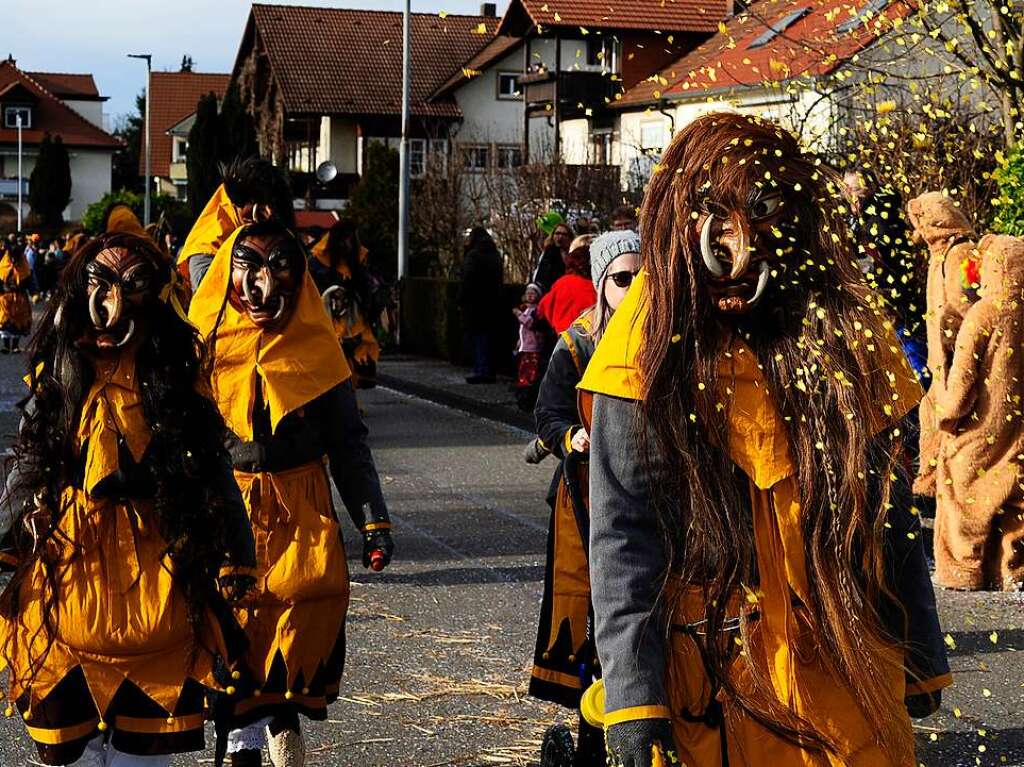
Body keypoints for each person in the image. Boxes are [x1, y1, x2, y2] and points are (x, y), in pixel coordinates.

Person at [579, 113, 950, 767]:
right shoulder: (641, 343)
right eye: (712, 214)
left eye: (755, 211)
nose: (732, 241)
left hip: (844, 670)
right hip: (711, 687)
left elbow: (892, 519)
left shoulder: (845, 334)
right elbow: (623, 539)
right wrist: (635, 706)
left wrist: (919, 653)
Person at [0, 231, 257, 767]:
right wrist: (5, 536)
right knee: (70, 749)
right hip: (69, 572)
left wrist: (237, 556)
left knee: (143, 752)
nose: (110, 304)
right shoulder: (61, 378)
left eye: (132, 284)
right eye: (99, 282)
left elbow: (213, 472)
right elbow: (28, 460)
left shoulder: (176, 385)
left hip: (154, 571)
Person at [187, 218, 394, 767]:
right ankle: (243, 744)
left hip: (301, 504)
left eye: (279, 267)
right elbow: (181, 440)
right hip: (232, 503)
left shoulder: (318, 347)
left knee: (301, 608)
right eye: (248, 268)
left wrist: (373, 520)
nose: (262, 284)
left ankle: (282, 716)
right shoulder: (206, 349)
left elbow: (350, 444)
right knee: (233, 624)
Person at [531, 229, 640, 767]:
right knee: (594, 618)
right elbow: (546, 413)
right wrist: (571, 436)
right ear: (602, 284)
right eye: (624, 278)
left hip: (646, 494)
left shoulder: (659, 337)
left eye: (645, 277)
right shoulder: (577, 343)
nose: (636, 287)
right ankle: (591, 739)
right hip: (585, 496)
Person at [932, 234, 1024, 590]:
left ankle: (964, 571)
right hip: (1017, 427)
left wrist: (947, 415)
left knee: (963, 497)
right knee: (1013, 498)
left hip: (982, 424)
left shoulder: (984, 312)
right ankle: (1011, 570)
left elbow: (963, 379)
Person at [906, 192, 980, 499]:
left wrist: (955, 349)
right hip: (942, 364)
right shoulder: (939, 257)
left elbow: (971, 305)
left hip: (959, 361)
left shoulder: (963, 254)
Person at [178, 157, 297, 292]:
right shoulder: (207, 246)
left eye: (271, 205)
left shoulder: (274, 227)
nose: (268, 214)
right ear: (236, 203)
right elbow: (208, 293)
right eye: (260, 206)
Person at [309, 220, 380, 388]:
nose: (348, 243)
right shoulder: (318, 262)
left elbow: (366, 289)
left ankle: (350, 401)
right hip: (328, 319)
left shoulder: (358, 261)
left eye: (351, 238)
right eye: (345, 238)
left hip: (354, 320)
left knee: (354, 359)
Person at [459, 227, 504, 385]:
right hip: (492, 302)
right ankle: (487, 369)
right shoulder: (495, 254)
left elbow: (468, 280)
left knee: (478, 337)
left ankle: (481, 370)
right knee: (488, 337)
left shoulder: (473, 255)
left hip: (475, 303)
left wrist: (462, 299)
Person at [537, 236, 596, 335]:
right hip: (593, 338)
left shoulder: (562, 283)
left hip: (563, 339)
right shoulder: (600, 286)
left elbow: (541, 311)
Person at [512, 283, 544, 411]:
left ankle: (527, 397)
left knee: (530, 373)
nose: (530, 296)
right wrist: (519, 342)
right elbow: (522, 331)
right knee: (523, 371)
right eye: (528, 293)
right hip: (525, 347)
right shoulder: (526, 309)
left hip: (533, 347)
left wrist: (519, 315)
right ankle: (523, 395)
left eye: (533, 293)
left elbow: (529, 323)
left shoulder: (535, 311)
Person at [0, 240, 33, 353]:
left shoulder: (24, 267)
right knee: (4, 322)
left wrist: (34, 293)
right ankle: (5, 345)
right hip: (5, 299)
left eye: (16, 257)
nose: (13, 260)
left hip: (20, 300)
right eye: (12, 257)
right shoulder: (3, 265)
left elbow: (30, 282)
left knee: (19, 323)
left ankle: (15, 346)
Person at [534, 222, 573, 292]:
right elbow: (540, 276)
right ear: (553, 236)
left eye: (564, 234)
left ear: (569, 237)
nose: (560, 237)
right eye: (557, 233)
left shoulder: (574, 254)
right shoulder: (548, 253)